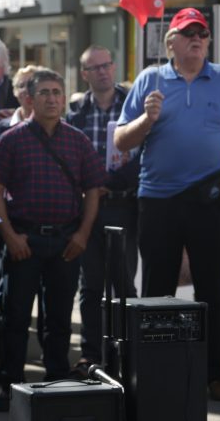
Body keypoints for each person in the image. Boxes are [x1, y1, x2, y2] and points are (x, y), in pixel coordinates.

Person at [114, 7, 220, 402]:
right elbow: (121, 143)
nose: (197, 38)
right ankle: (154, 368)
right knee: (158, 288)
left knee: (212, 287)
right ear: (171, 43)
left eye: (202, 33)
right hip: (158, 200)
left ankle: (217, 371)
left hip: (207, 198)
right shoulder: (150, 80)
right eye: (188, 32)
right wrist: (147, 120)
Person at [0, 68, 106, 412]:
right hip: (23, 241)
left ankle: (56, 385)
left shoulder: (78, 140)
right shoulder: (12, 139)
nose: (52, 99)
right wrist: (9, 234)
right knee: (15, 318)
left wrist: (83, 235)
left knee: (57, 322)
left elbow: (93, 190)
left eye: (57, 92)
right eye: (45, 93)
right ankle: (10, 387)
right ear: (30, 99)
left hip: (65, 242)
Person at [67, 45, 140, 378]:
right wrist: (92, 184)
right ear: (85, 74)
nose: (102, 72)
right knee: (91, 285)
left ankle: (130, 351)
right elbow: (70, 157)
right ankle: (90, 354)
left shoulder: (133, 103)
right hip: (88, 208)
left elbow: (144, 153)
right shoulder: (76, 112)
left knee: (123, 282)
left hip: (124, 203)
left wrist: (111, 181)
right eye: (93, 68)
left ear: (114, 67)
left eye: (106, 65)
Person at [0, 64, 41, 148]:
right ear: (15, 92)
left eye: (31, 85)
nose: (26, 90)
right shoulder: (3, 127)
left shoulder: (54, 124)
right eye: (21, 86)